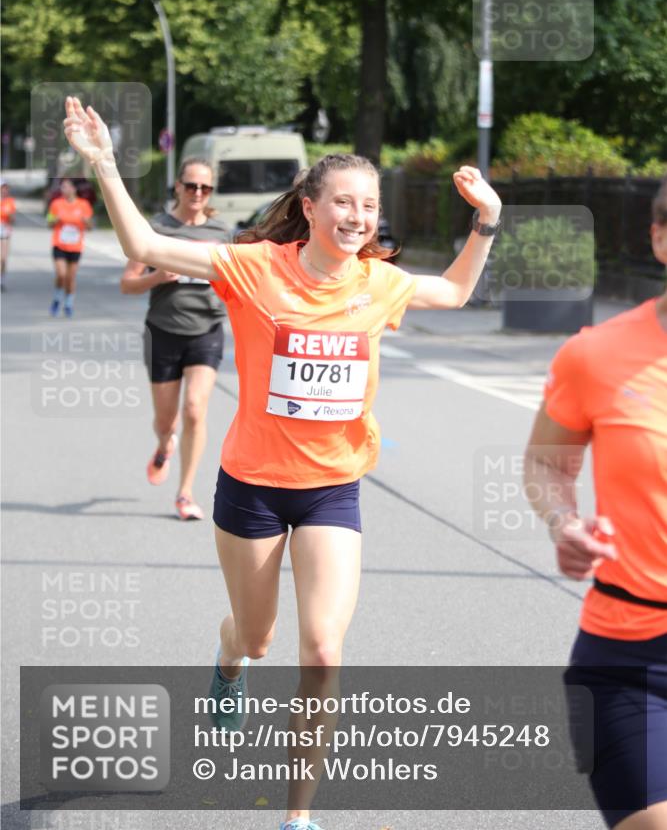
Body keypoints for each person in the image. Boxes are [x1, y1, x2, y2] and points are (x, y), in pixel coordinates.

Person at [63, 95, 502, 830]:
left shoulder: (379, 281)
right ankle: (228, 660)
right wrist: (104, 163)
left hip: (332, 490)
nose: (357, 217)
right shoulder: (251, 268)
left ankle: (297, 818)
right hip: (254, 490)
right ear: (309, 206)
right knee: (258, 635)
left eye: (368, 205)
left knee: (323, 650)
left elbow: (455, 290)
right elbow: (143, 238)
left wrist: (485, 219)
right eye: (343, 202)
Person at [524, 175, 667, 830]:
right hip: (631, 659)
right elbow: (546, 463)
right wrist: (563, 521)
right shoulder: (596, 354)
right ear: (660, 239)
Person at [120, 160, 230, 521]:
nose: (198, 193)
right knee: (166, 421)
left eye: (206, 188)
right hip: (163, 331)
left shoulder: (222, 233)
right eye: (191, 186)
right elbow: (127, 283)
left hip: (207, 330)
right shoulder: (158, 230)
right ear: (178, 187)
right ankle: (166, 443)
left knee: (196, 409)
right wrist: (158, 278)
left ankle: (184, 493)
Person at [47, 177, 94, 316]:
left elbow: (90, 227)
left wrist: (86, 222)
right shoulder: (56, 204)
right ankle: (56, 298)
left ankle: (68, 303)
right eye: (62, 187)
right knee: (61, 275)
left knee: (70, 278)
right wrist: (55, 220)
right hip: (59, 244)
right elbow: (49, 223)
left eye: (66, 187)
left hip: (75, 247)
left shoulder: (83, 204)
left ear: (74, 189)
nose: (64, 189)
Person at [0, 182, 17, 290]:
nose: (5, 190)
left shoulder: (10, 202)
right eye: (3, 188)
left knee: (3, 258)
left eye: (7, 188)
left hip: (5, 232)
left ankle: (2, 280)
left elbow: (13, 220)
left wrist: (11, 217)